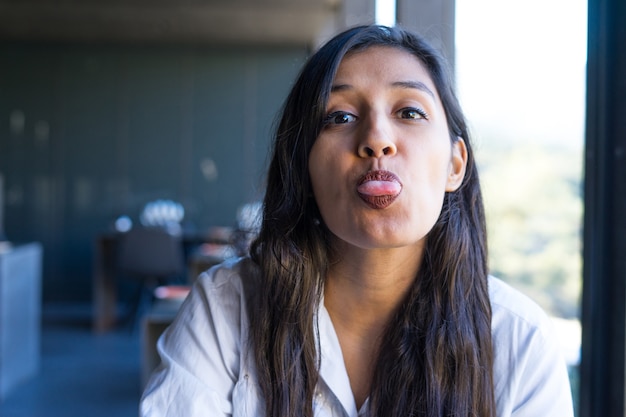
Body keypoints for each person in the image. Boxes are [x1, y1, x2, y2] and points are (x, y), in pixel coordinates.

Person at [140, 25, 574, 417]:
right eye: (340, 117)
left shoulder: (522, 341)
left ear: (454, 165)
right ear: (304, 170)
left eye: (409, 112)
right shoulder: (225, 307)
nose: (377, 140)